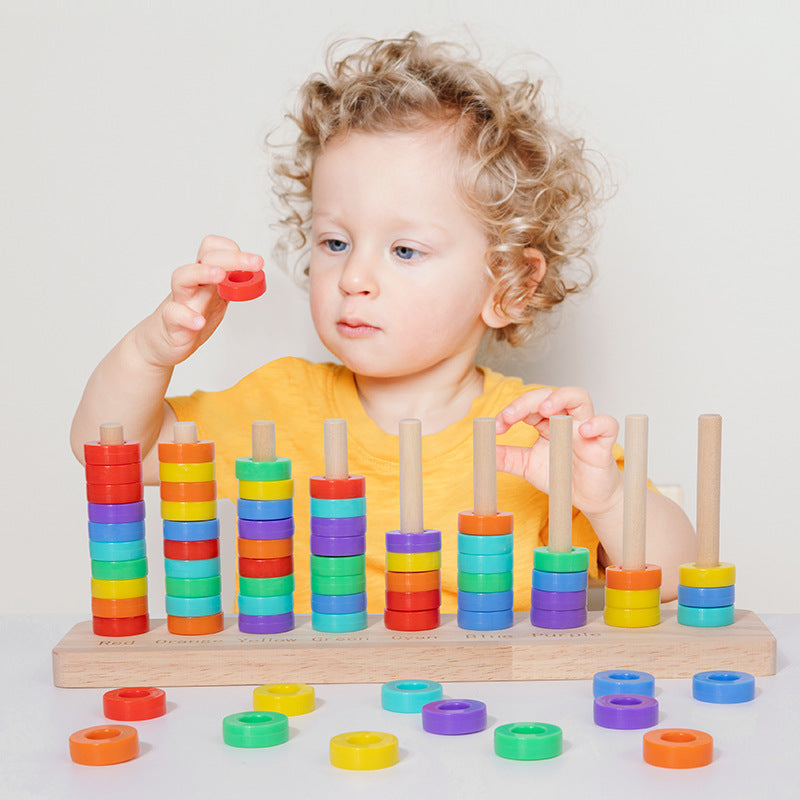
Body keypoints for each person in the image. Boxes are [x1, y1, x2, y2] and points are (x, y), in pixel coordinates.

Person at [70, 32, 696, 613]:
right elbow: (117, 452)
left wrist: (605, 497)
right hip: (315, 717)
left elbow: (673, 575)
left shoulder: (538, 435)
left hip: (481, 720)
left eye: (404, 250)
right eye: (335, 242)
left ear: (509, 284)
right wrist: (152, 352)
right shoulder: (279, 408)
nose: (352, 277)